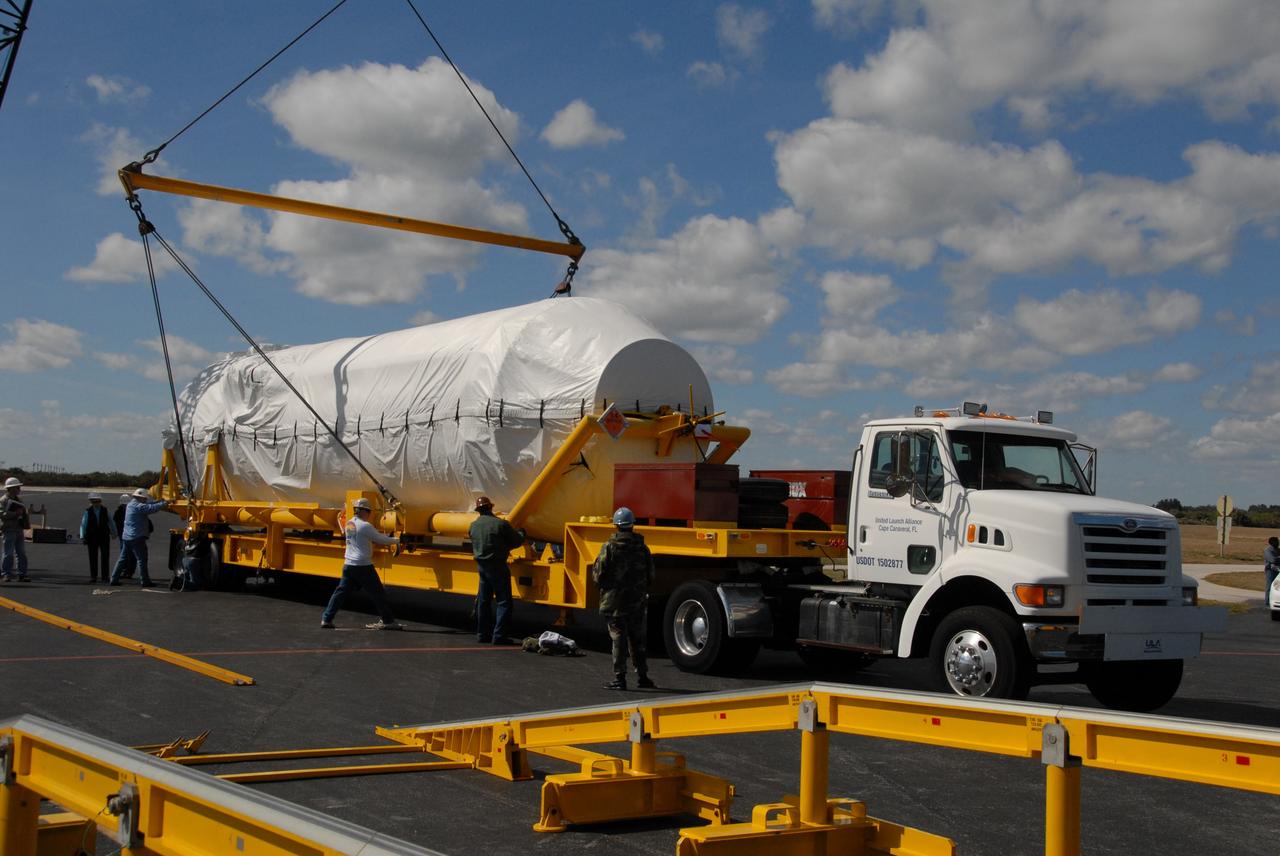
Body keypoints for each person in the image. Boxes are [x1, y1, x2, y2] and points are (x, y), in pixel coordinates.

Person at [593, 507, 656, 690]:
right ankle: (643, 676)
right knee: (637, 638)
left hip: (614, 602)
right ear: (632, 525)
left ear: (616, 525)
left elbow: (598, 575)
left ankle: (620, 678)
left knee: (618, 638)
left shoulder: (609, 547)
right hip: (636, 601)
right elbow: (651, 575)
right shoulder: (643, 548)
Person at [320, 497, 401, 630]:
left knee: (340, 593)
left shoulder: (350, 523)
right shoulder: (365, 526)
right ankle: (388, 621)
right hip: (363, 566)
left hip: (349, 565)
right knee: (378, 593)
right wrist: (397, 540)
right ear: (363, 511)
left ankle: (326, 618)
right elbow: (380, 539)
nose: (369, 515)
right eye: (369, 512)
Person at [468, 496, 524, 645]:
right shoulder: (500, 524)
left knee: (484, 601)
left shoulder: (473, 526)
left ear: (478, 510)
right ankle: (499, 636)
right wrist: (522, 533)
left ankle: (482, 634)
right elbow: (516, 541)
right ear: (491, 507)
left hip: (481, 567)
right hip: (498, 566)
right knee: (504, 602)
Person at [108, 489, 169, 587]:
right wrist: (165, 503)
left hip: (127, 537)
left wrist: (159, 501)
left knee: (122, 559)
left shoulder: (131, 505)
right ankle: (145, 581)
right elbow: (151, 508)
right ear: (140, 498)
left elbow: (149, 504)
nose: (145, 500)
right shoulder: (138, 506)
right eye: (144, 498)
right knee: (142, 559)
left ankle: (114, 578)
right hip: (136, 537)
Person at [1, 477, 30, 582]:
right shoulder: (3, 500)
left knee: (21, 553)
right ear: (12, 488)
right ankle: (6, 574)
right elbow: (2, 514)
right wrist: (15, 513)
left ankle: (22, 574)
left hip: (18, 529)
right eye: (17, 487)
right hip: (9, 529)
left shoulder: (19, 500)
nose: (19, 489)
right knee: (8, 553)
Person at [80, 492, 113, 583]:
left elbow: (111, 522)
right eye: (94, 501)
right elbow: (83, 524)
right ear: (91, 501)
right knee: (93, 556)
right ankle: (93, 576)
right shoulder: (88, 511)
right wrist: (83, 536)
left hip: (104, 536)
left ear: (100, 501)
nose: (96, 503)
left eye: (98, 501)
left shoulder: (105, 510)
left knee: (105, 556)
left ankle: (105, 576)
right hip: (92, 537)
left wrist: (114, 533)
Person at [1264, 536, 1280, 605]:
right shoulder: (1267, 550)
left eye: (1278, 541)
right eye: (1276, 541)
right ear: (1271, 543)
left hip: (1277, 570)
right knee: (1270, 586)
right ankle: (1267, 602)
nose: (1277, 543)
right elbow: (1272, 560)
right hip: (1270, 571)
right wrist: (1278, 558)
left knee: (1277, 587)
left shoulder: (1278, 550)